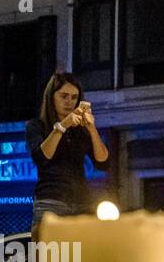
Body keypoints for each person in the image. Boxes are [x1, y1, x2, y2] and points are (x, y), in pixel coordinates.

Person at [26, 71, 109, 229]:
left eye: (74, 97)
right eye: (63, 96)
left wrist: (92, 129)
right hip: (51, 201)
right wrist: (62, 126)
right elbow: (42, 157)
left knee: (83, 253)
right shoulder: (37, 126)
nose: (69, 102)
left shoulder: (80, 130)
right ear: (52, 97)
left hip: (82, 202)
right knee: (52, 253)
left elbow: (103, 162)